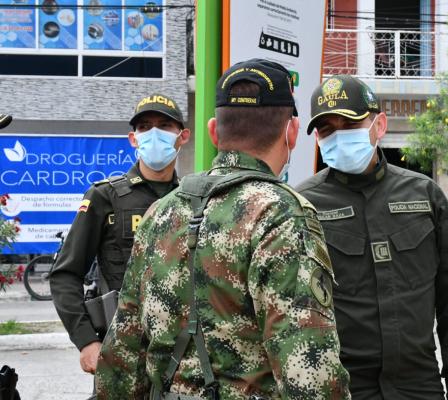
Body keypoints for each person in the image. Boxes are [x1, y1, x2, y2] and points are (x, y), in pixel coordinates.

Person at [95, 59, 350, 399]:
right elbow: (310, 372)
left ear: (214, 131)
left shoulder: (160, 212)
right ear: (291, 132)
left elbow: (122, 354)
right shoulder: (281, 213)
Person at [296, 75, 448, 400]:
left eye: (350, 124)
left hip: (419, 387)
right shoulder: (302, 206)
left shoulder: (426, 196)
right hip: (343, 389)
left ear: (379, 125)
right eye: (327, 130)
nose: (339, 136)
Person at [50, 93, 190, 375]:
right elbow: (65, 274)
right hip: (123, 353)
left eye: (164, 126)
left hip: (185, 355)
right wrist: (86, 341)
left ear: (182, 137)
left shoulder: (193, 198)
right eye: (145, 127)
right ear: (133, 139)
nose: (154, 134)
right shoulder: (105, 197)